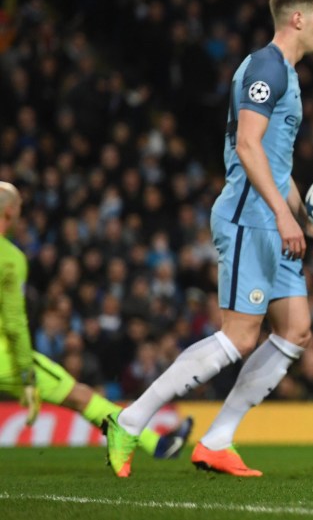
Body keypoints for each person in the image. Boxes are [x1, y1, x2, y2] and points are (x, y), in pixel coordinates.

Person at [103, 0, 313, 478]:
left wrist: (306, 219)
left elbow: (275, 164)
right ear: (297, 18)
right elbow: (247, 146)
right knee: (240, 337)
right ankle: (129, 420)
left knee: (296, 330)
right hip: (249, 218)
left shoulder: (287, 74)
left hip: (271, 218)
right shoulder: (266, 67)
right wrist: (285, 217)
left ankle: (218, 440)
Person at [0, 182, 193, 459]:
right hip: (4, 357)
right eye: (18, 206)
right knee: (79, 395)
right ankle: (156, 444)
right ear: (8, 213)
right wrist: (27, 378)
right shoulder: (10, 258)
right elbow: (15, 322)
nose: (21, 212)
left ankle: (153, 443)